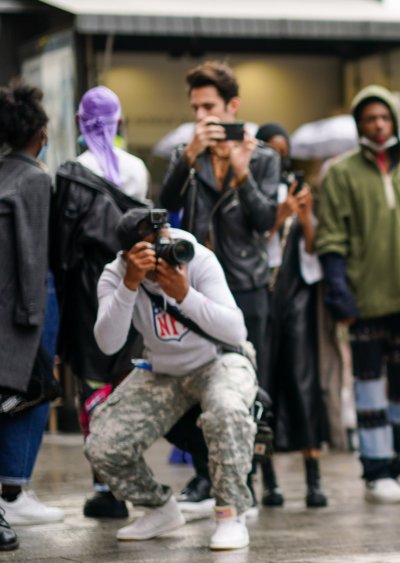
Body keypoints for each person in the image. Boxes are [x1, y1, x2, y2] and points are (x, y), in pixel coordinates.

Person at [84, 209, 258, 550]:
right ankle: (159, 509)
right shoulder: (116, 274)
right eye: (151, 249)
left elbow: (236, 330)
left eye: (164, 242)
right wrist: (130, 284)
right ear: (128, 254)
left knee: (227, 411)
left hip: (217, 361)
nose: (165, 253)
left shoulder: (196, 258)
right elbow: (108, 343)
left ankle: (230, 514)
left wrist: (185, 294)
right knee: (102, 443)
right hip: (162, 370)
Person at [159, 61, 280, 513]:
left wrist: (243, 172)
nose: (201, 116)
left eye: (209, 106)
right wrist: (188, 158)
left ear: (233, 106)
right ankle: (204, 476)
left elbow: (266, 222)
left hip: (246, 283)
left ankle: (241, 480)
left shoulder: (264, 156)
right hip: (199, 283)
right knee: (195, 378)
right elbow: (166, 204)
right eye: (195, 108)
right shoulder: (186, 154)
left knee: (246, 384)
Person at [315, 84, 400, 504]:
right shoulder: (341, 171)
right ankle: (376, 472)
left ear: (394, 122)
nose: (378, 125)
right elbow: (330, 237)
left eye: (384, 118)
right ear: (359, 125)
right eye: (370, 119)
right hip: (363, 298)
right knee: (367, 387)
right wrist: (339, 291)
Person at [50, 85, 150, 519]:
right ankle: (128, 472)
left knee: (93, 382)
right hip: (131, 279)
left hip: (88, 289)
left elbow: (62, 248)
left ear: (78, 122)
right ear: (120, 120)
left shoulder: (71, 172)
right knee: (127, 379)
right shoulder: (138, 169)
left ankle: (103, 483)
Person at [0, 79, 62, 551]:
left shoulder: (3, 173)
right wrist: (34, 319)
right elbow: (32, 253)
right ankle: (11, 493)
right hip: (16, 314)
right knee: (18, 401)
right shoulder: (37, 178)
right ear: (38, 132)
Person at [256, 123, 330, 508]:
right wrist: (275, 213)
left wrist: (302, 215)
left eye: (282, 150)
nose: (277, 156)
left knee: (303, 381)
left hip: (297, 293)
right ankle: (268, 479)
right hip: (262, 293)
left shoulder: (297, 189)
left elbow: (314, 246)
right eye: (269, 149)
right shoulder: (251, 192)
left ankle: (313, 478)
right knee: (264, 382)